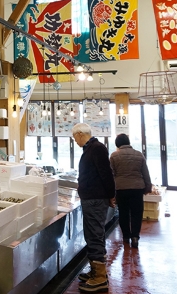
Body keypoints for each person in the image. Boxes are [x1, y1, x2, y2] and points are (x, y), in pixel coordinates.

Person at [72, 123, 116, 293]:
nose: (74, 141)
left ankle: (99, 278)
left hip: (95, 199)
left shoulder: (96, 148)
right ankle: (96, 271)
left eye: (75, 137)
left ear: (81, 134)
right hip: (92, 198)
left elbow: (106, 174)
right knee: (92, 234)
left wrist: (111, 195)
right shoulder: (91, 148)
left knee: (95, 235)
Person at [110, 133, 152, 249]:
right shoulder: (139, 155)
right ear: (128, 142)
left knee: (123, 213)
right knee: (137, 213)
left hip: (121, 189)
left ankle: (125, 237)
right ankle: (135, 237)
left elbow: (111, 175)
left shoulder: (114, 156)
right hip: (137, 189)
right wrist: (148, 187)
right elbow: (145, 173)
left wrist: (111, 191)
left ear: (117, 144)